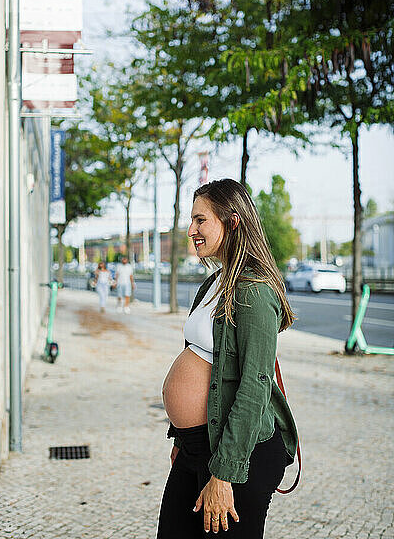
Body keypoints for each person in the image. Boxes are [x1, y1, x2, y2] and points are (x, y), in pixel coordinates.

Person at [157, 179, 298, 538]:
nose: (191, 230)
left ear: (232, 221)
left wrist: (224, 473)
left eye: (200, 220)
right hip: (196, 447)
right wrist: (182, 439)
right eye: (192, 221)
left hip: (236, 454)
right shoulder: (213, 283)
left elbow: (255, 384)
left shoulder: (254, 289)